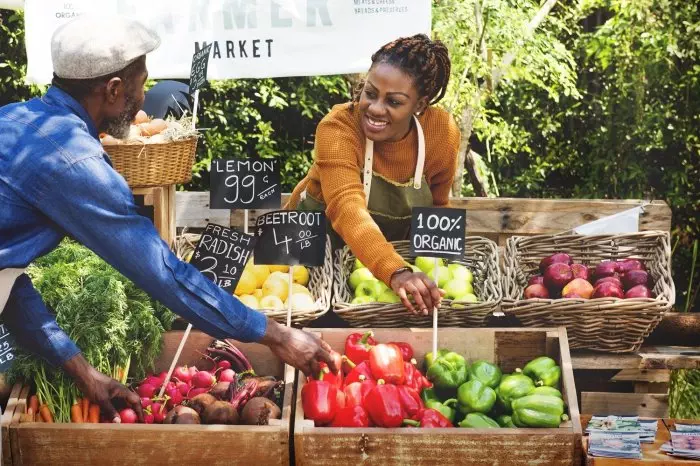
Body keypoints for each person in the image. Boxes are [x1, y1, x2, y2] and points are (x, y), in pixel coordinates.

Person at [0, 15, 335, 423]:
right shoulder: (75, 163)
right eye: (142, 83)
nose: (144, 97)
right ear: (114, 90)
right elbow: (164, 274)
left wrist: (83, 372)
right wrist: (277, 335)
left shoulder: (14, 119)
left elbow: (7, 280)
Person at [287, 34, 460, 316]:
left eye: (394, 102)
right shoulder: (338, 128)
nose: (376, 109)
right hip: (305, 261)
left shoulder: (441, 132)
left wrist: (445, 273)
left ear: (420, 104)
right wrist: (396, 271)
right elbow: (346, 206)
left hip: (375, 271)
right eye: (370, 93)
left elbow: (437, 207)